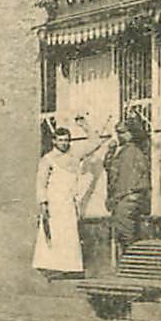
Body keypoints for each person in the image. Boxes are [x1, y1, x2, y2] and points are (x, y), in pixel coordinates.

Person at [32, 118, 109, 277]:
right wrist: (43, 204)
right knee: (53, 234)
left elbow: (95, 143)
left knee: (69, 234)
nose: (64, 143)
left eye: (66, 140)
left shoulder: (75, 154)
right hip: (53, 202)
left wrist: (85, 125)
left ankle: (70, 269)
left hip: (68, 202)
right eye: (60, 140)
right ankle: (51, 268)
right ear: (54, 141)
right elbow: (41, 183)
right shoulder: (47, 159)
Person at [104, 115, 152, 258]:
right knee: (124, 232)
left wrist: (121, 196)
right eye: (117, 132)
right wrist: (110, 151)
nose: (119, 135)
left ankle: (132, 263)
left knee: (126, 233)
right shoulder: (124, 150)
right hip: (124, 197)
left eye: (122, 132)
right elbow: (110, 168)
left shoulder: (133, 151)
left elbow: (127, 178)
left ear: (132, 133)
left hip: (128, 197)